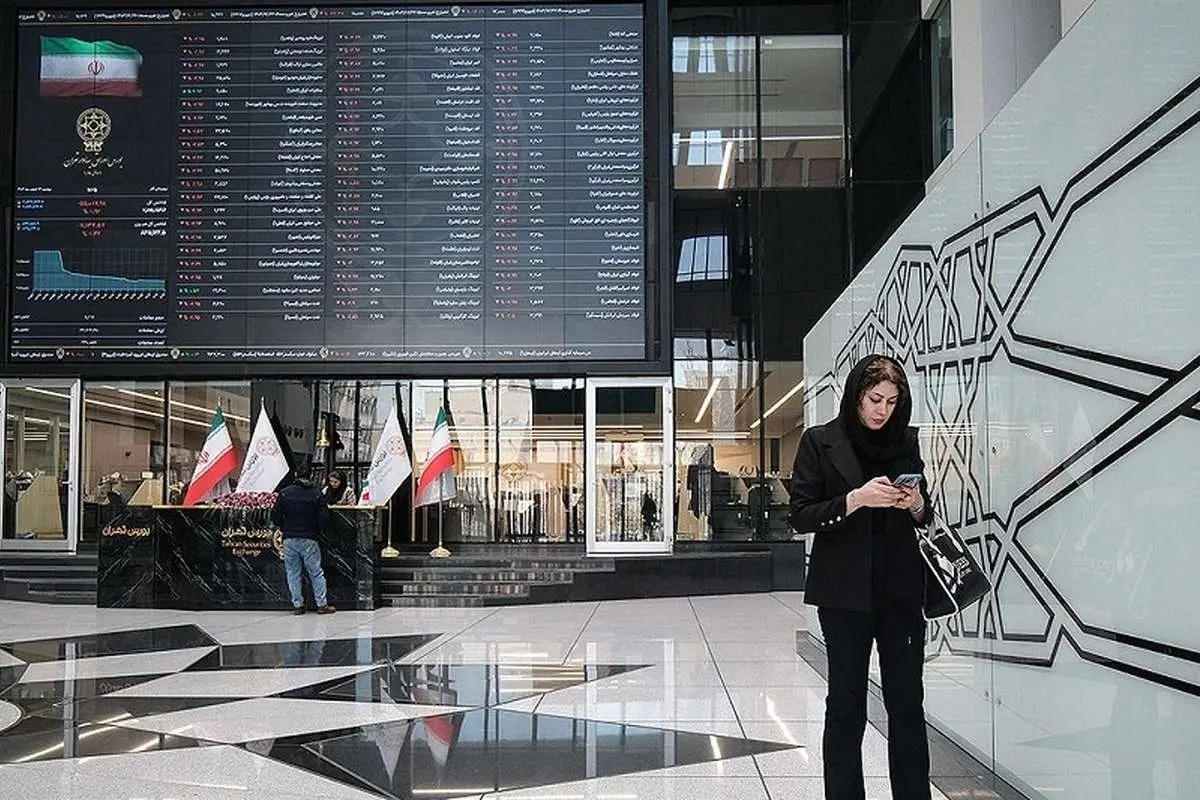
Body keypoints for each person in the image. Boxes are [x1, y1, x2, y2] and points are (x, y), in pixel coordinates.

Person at [788, 354, 933, 800]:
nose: (882, 410)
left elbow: (925, 514)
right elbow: (801, 514)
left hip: (901, 592)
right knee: (846, 704)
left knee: (907, 704)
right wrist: (856, 499)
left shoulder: (906, 441)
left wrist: (914, 503)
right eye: (874, 399)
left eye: (891, 401)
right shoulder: (820, 441)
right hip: (844, 594)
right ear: (855, 397)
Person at [272, 462, 335, 615]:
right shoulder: (316, 494)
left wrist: (284, 527)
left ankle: (298, 605)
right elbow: (324, 518)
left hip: (289, 538)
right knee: (315, 572)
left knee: (293, 573)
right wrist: (316, 530)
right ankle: (322, 604)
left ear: (296, 475)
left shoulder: (285, 493)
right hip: (309, 538)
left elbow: (275, 516)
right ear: (310, 476)